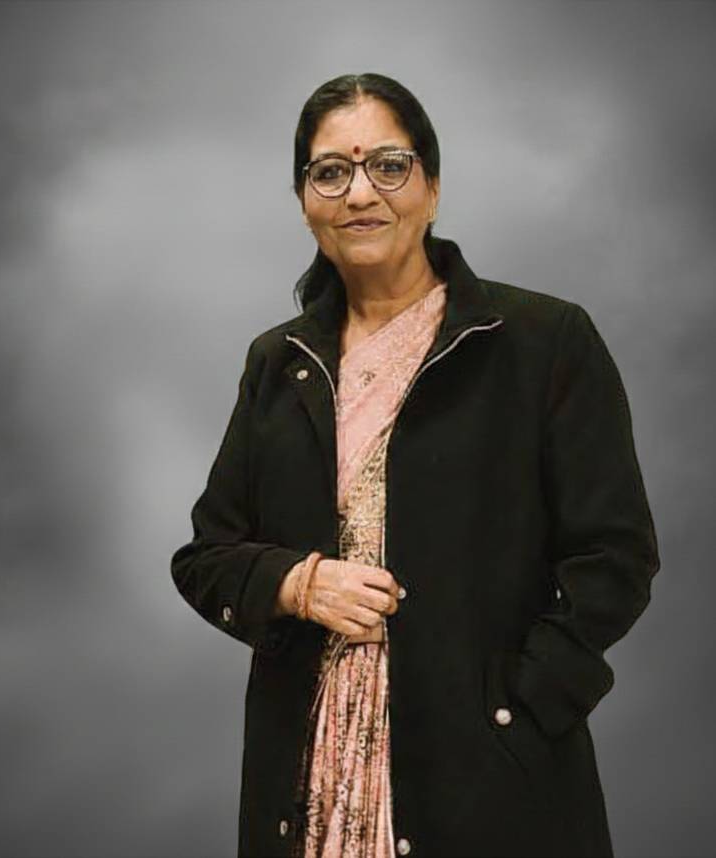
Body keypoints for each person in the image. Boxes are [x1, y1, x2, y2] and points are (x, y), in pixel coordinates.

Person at [170, 73, 660, 858]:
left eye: (388, 166)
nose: (359, 193)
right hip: (311, 774)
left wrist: (522, 708)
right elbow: (207, 558)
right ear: (303, 200)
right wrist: (297, 584)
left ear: (431, 188)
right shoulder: (280, 363)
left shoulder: (539, 342)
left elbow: (615, 556)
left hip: (486, 773)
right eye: (331, 172)